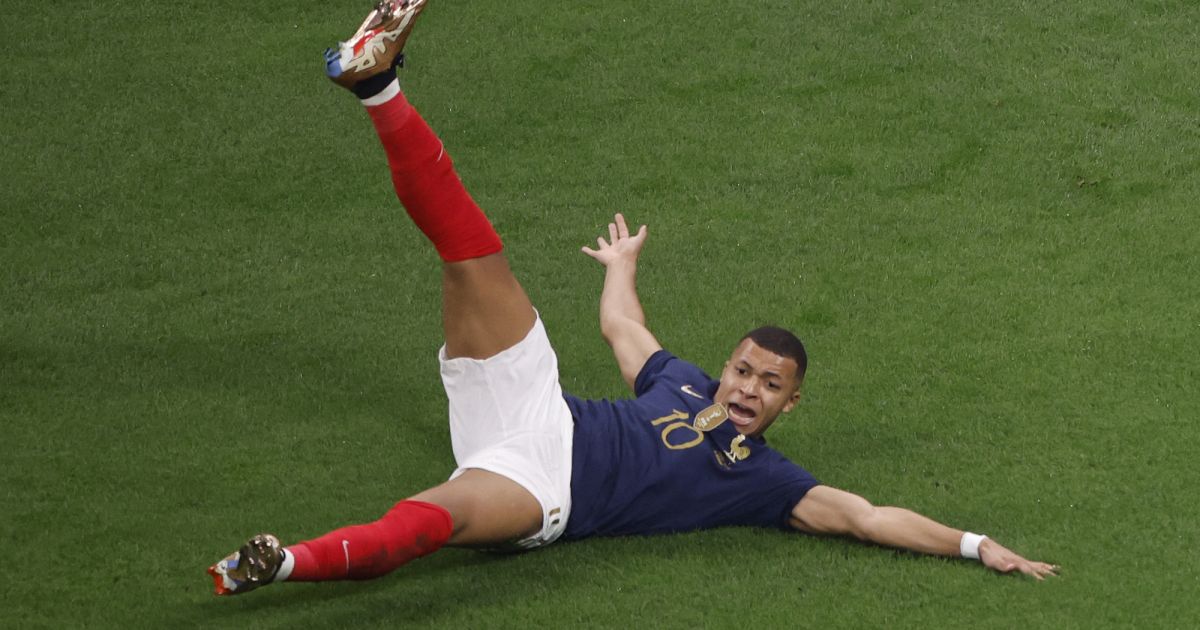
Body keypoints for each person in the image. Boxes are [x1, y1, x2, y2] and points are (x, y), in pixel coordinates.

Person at [207, 0, 1058, 595]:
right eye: (745, 370)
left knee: (428, 524)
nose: (748, 388)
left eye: (769, 384)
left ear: (790, 405)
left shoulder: (763, 480)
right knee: (470, 253)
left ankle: (283, 564)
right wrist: (622, 262)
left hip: (543, 485)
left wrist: (977, 546)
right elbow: (623, 328)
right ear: (725, 366)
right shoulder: (679, 381)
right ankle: (376, 85)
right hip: (532, 402)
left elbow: (869, 518)